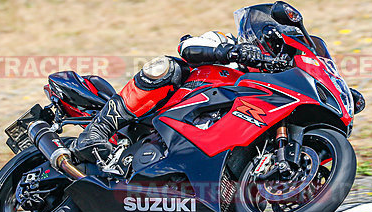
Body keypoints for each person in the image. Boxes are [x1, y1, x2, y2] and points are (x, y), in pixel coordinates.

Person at [70, 31, 267, 162]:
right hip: (168, 109)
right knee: (168, 67)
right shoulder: (230, 42)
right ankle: (98, 130)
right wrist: (229, 51)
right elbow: (187, 46)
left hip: (207, 139)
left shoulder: (269, 86)